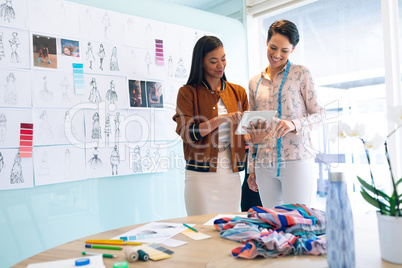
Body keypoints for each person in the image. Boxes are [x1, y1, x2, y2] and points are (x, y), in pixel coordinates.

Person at [245, 20, 325, 209]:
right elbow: (252, 129)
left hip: (297, 161)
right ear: (266, 41)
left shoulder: (301, 74)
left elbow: (320, 114)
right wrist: (251, 169)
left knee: (298, 223)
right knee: (273, 226)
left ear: (293, 50)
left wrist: (294, 124)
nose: (277, 55)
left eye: (284, 50)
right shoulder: (254, 82)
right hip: (264, 164)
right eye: (273, 47)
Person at [172, 35, 249, 216]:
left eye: (223, 59)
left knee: (229, 231)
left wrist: (257, 136)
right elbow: (187, 132)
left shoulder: (238, 92)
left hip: (231, 175)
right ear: (201, 63)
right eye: (214, 61)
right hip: (200, 177)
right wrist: (222, 119)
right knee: (201, 232)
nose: (221, 65)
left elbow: (246, 136)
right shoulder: (187, 92)